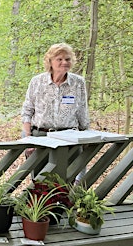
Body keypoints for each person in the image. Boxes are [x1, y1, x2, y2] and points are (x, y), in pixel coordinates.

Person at [21, 43, 89, 183]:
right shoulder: (37, 82)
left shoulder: (78, 83)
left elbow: (82, 113)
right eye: (59, 59)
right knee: (40, 185)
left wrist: (86, 139)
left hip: (69, 138)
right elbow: (27, 112)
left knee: (67, 183)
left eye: (68, 59)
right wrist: (28, 140)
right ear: (50, 61)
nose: (64, 62)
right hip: (41, 137)